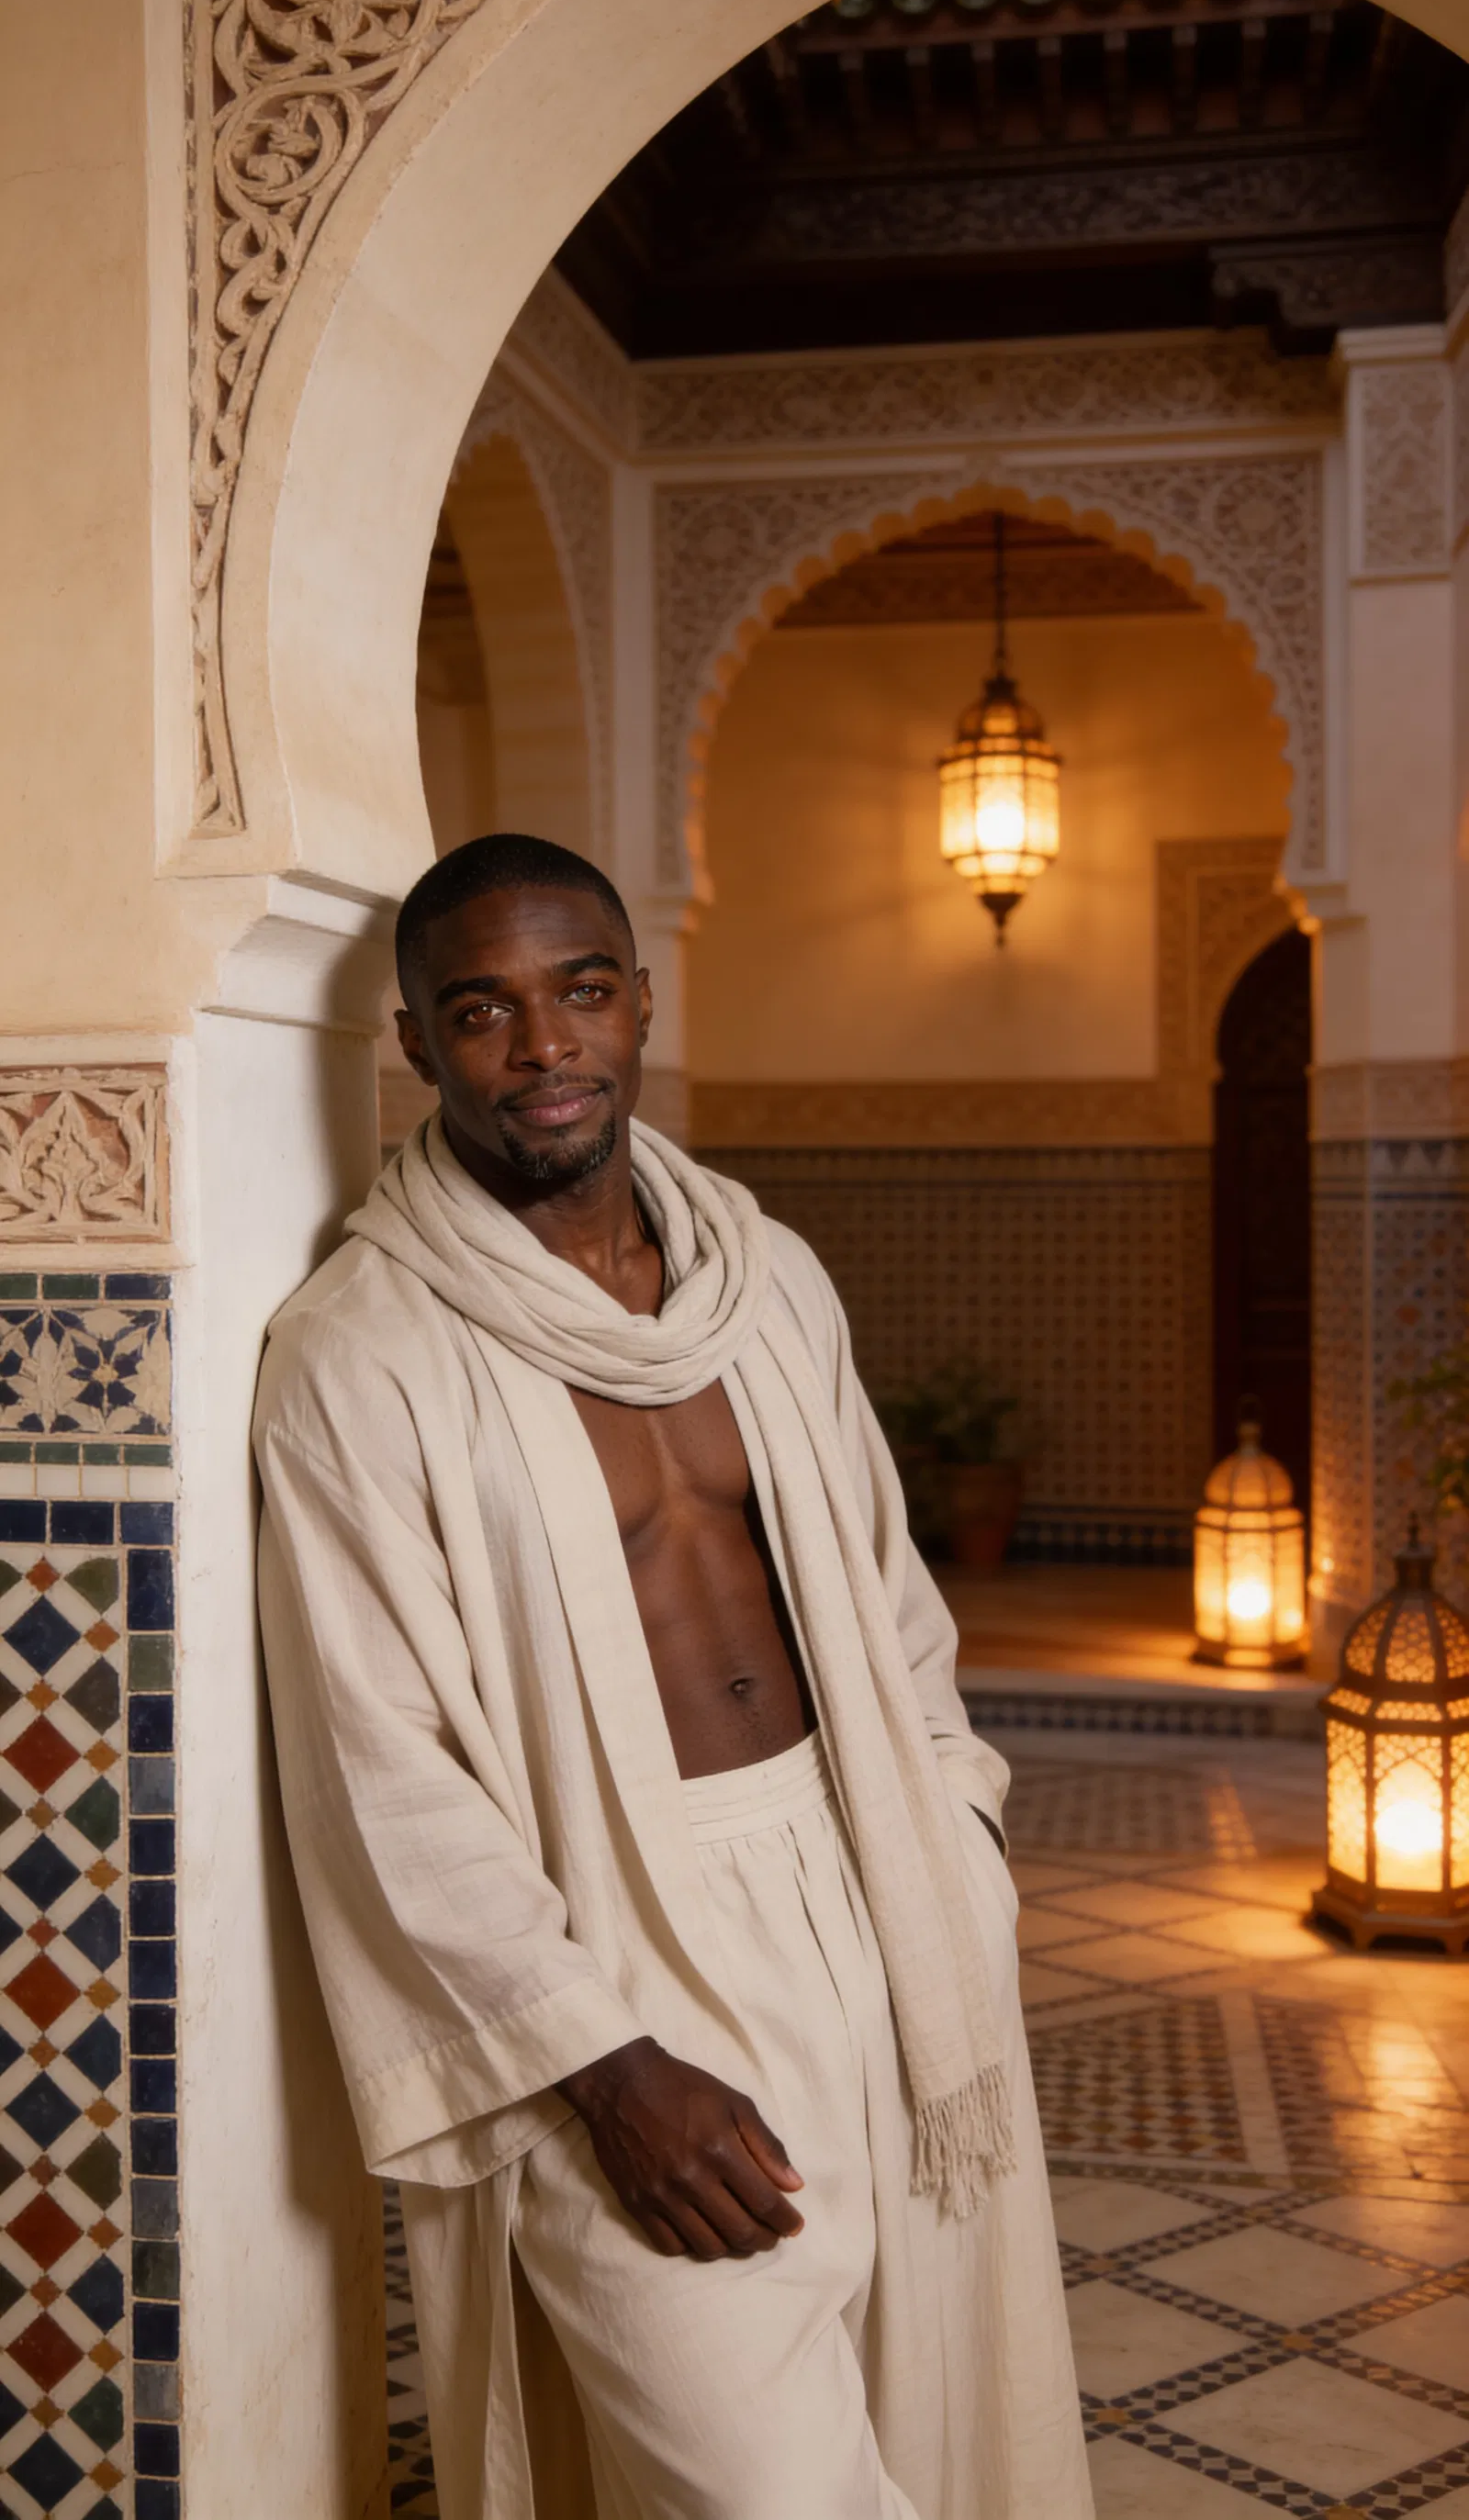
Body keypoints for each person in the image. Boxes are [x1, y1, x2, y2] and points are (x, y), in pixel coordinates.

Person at [253, 831, 1091, 2520]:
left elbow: (890, 1601)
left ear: (640, 1000)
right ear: (416, 1045)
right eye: (481, 1010)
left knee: (933, 2426)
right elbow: (377, 1761)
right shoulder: (359, 1354)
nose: (542, 1046)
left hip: (875, 1898)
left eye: (579, 991)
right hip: (610, 1946)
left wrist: (962, 1845)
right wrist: (607, 2067)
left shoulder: (767, 1283)